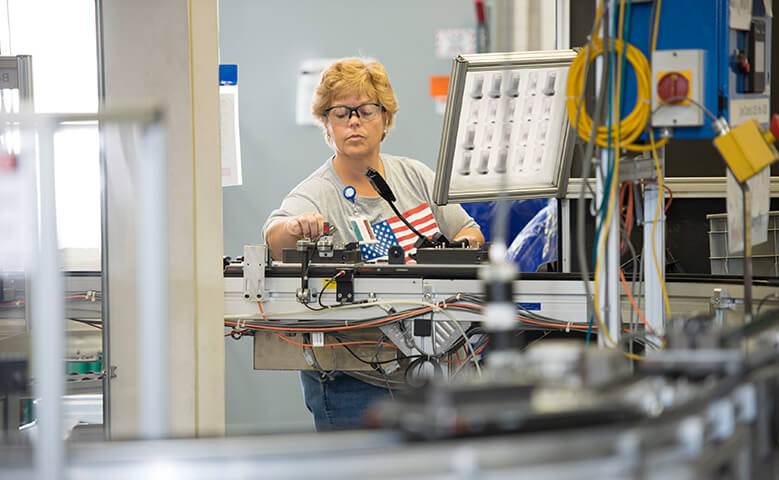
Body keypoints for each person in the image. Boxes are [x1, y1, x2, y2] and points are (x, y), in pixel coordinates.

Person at [263, 57, 484, 431]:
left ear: (385, 120)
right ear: (327, 125)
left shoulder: (414, 175)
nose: (353, 121)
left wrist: (452, 251)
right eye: (340, 113)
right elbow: (274, 238)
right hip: (355, 383)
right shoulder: (317, 192)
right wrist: (297, 227)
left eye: (365, 110)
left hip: (434, 373)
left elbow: (470, 233)